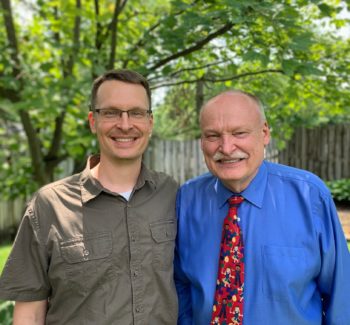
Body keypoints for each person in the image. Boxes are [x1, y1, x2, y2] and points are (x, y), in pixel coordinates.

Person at [0, 69, 178, 324]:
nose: (125, 124)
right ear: (93, 121)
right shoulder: (49, 206)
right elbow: (29, 312)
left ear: (150, 122)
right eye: (111, 112)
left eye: (136, 113)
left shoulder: (171, 194)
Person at [174, 90, 350, 324]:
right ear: (202, 142)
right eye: (213, 135)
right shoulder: (186, 200)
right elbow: (180, 285)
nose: (226, 147)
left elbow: (342, 298)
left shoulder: (309, 196)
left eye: (239, 133)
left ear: (264, 133)